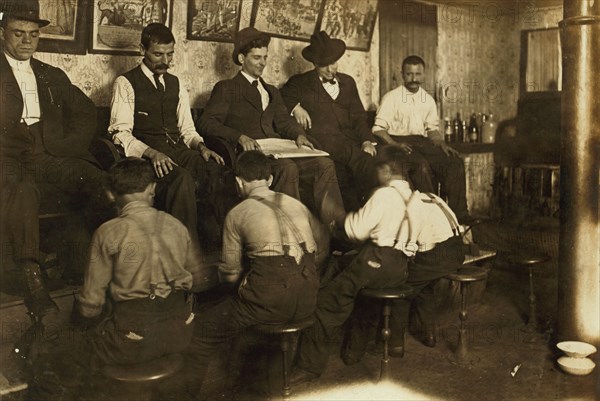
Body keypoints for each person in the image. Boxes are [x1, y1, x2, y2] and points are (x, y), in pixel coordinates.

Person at [27, 158, 201, 400]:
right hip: (181, 333)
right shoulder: (177, 226)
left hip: (132, 341)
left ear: (110, 194)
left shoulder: (108, 232)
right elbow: (197, 278)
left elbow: (90, 307)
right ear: (153, 189)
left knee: (47, 354)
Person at [0, 0, 107, 321]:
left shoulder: (50, 74)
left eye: (33, 34)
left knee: (98, 181)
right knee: (22, 190)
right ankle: (34, 283)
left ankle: (86, 264)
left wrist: (65, 145)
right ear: (2, 32)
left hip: (48, 151)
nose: (26, 41)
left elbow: (86, 113)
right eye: (18, 34)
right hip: (6, 155)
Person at [185, 151, 322, 397]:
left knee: (201, 332)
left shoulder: (238, 213)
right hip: (309, 297)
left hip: (270, 301)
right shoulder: (297, 204)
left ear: (238, 182)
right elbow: (318, 249)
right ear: (269, 179)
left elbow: (229, 274)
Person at [289, 145, 416, 385]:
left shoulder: (383, 194)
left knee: (326, 304)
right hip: (400, 265)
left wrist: (335, 214)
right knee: (360, 295)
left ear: (387, 170)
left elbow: (354, 231)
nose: (376, 175)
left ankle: (308, 367)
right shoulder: (411, 194)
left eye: (378, 170)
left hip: (377, 260)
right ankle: (352, 353)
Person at [198, 27, 345, 225]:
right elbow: (206, 122)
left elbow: (284, 122)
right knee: (287, 168)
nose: (263, 63)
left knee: (324, 165)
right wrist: (239, 137)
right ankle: (294, 230)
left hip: (277, 151)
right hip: (249, 156)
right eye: (257, 58)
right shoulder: (227, 88)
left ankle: (335, 228)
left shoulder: (272, 91)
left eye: (265, 57)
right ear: (241, 59)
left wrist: (299, 135)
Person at [340, 146, 467, 366]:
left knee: (404, 283)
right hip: (457, 249)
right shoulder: (431, 197)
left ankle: (395, 344)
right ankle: (430, 335)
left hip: (438, 253)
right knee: (423, 284)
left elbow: (409, 244)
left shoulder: (410, 203)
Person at [109, 22, 234, 243]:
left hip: (177, 148)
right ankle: (186, 249)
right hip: (146, 156)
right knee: (181, 179)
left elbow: (187, 129)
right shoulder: (126, 83)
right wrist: (151, 153)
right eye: (158, 54)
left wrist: (202, 147)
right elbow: (120, 134)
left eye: (170, 54)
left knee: (215, 170)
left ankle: (225, 243)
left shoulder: (176, 83)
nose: (165, 62)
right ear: (142, 50)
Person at [280, 31, 377, 210]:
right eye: (324, 65)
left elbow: (359, 116)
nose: (331, 69)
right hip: (324, 141)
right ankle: (370, 215)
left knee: (371, 159)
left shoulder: (348, 82)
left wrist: (366, 140)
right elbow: (281, 97)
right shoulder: (300, 82)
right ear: (315, 63)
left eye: (333, 63)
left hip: (351, 140)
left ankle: (364, 214)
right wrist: (296, 107)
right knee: (365, 163)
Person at [372, 55, 470, 223]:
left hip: (422, 142)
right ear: (402, 74)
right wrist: (396, 145)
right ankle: (431, 218)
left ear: (424, 75)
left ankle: (458, 217)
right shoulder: (391, 97)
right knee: (422, 167)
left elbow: (432, 129)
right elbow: (378, 130)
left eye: (418, 74)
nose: (414, 79)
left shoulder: (428, 99)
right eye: (409, 74)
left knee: (455, 162)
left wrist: (441, 144)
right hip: (398, 141)